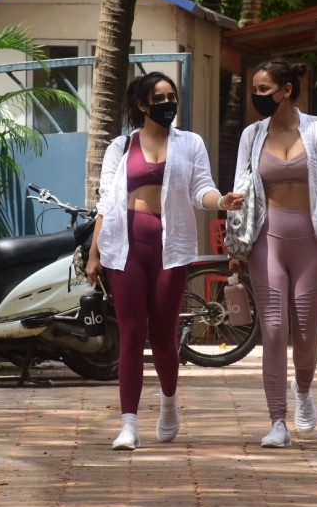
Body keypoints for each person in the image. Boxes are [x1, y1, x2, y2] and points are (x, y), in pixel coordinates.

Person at [87, 71, 244, 451]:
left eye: (171, 96)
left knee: (163, 336)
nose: (167, 103)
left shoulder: (190, 143)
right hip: (125, 245)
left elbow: (201, 189)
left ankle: (170, 403)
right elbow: (106, 202)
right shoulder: (120, 147)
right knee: (130, 333)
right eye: (158, 98)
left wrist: (220, 202)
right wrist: (94, 253)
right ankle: (128, 424)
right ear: (142, 105)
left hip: (170, 246)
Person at [229, 58, 317, 448]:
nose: (257, 97)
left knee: (305, 336)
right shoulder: (252, 136)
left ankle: (302, 389)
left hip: (310, 239)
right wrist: (235, 243)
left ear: (286, 90)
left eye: (264, 90)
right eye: (255, 90)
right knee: (273, 330)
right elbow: (241, 187)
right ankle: (277, 422)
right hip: (266, 238)